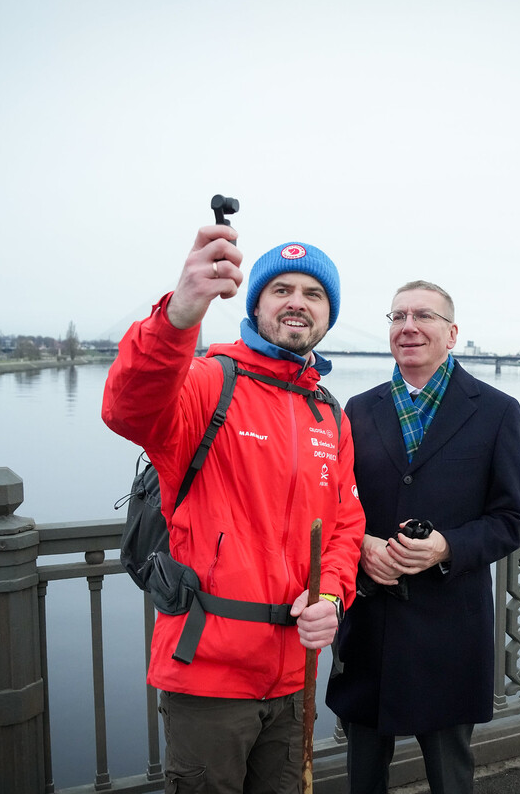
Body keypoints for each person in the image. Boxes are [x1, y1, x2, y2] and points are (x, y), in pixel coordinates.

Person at [102, 223, 365, 793]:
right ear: (256, 304)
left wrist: (330, 595)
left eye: (313, 293)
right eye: (281, 289)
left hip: (294, 677)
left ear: (328, 315)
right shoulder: (206, 383)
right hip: (207, 677)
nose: (297, 302)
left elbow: (345, 525)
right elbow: (127, 408)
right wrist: (178, 316)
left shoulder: (330, 415)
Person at [325, 280, 520, 794]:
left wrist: (446, 547)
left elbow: (512, 519)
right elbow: (334, 505)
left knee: (450, 775)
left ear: (452, 333)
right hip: (370, 621)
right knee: (363, 773)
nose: (408, 327)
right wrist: (363, 545)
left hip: (450, 628)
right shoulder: (357, 410)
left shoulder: (498, 411)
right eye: (397, 317)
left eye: (423, 316)